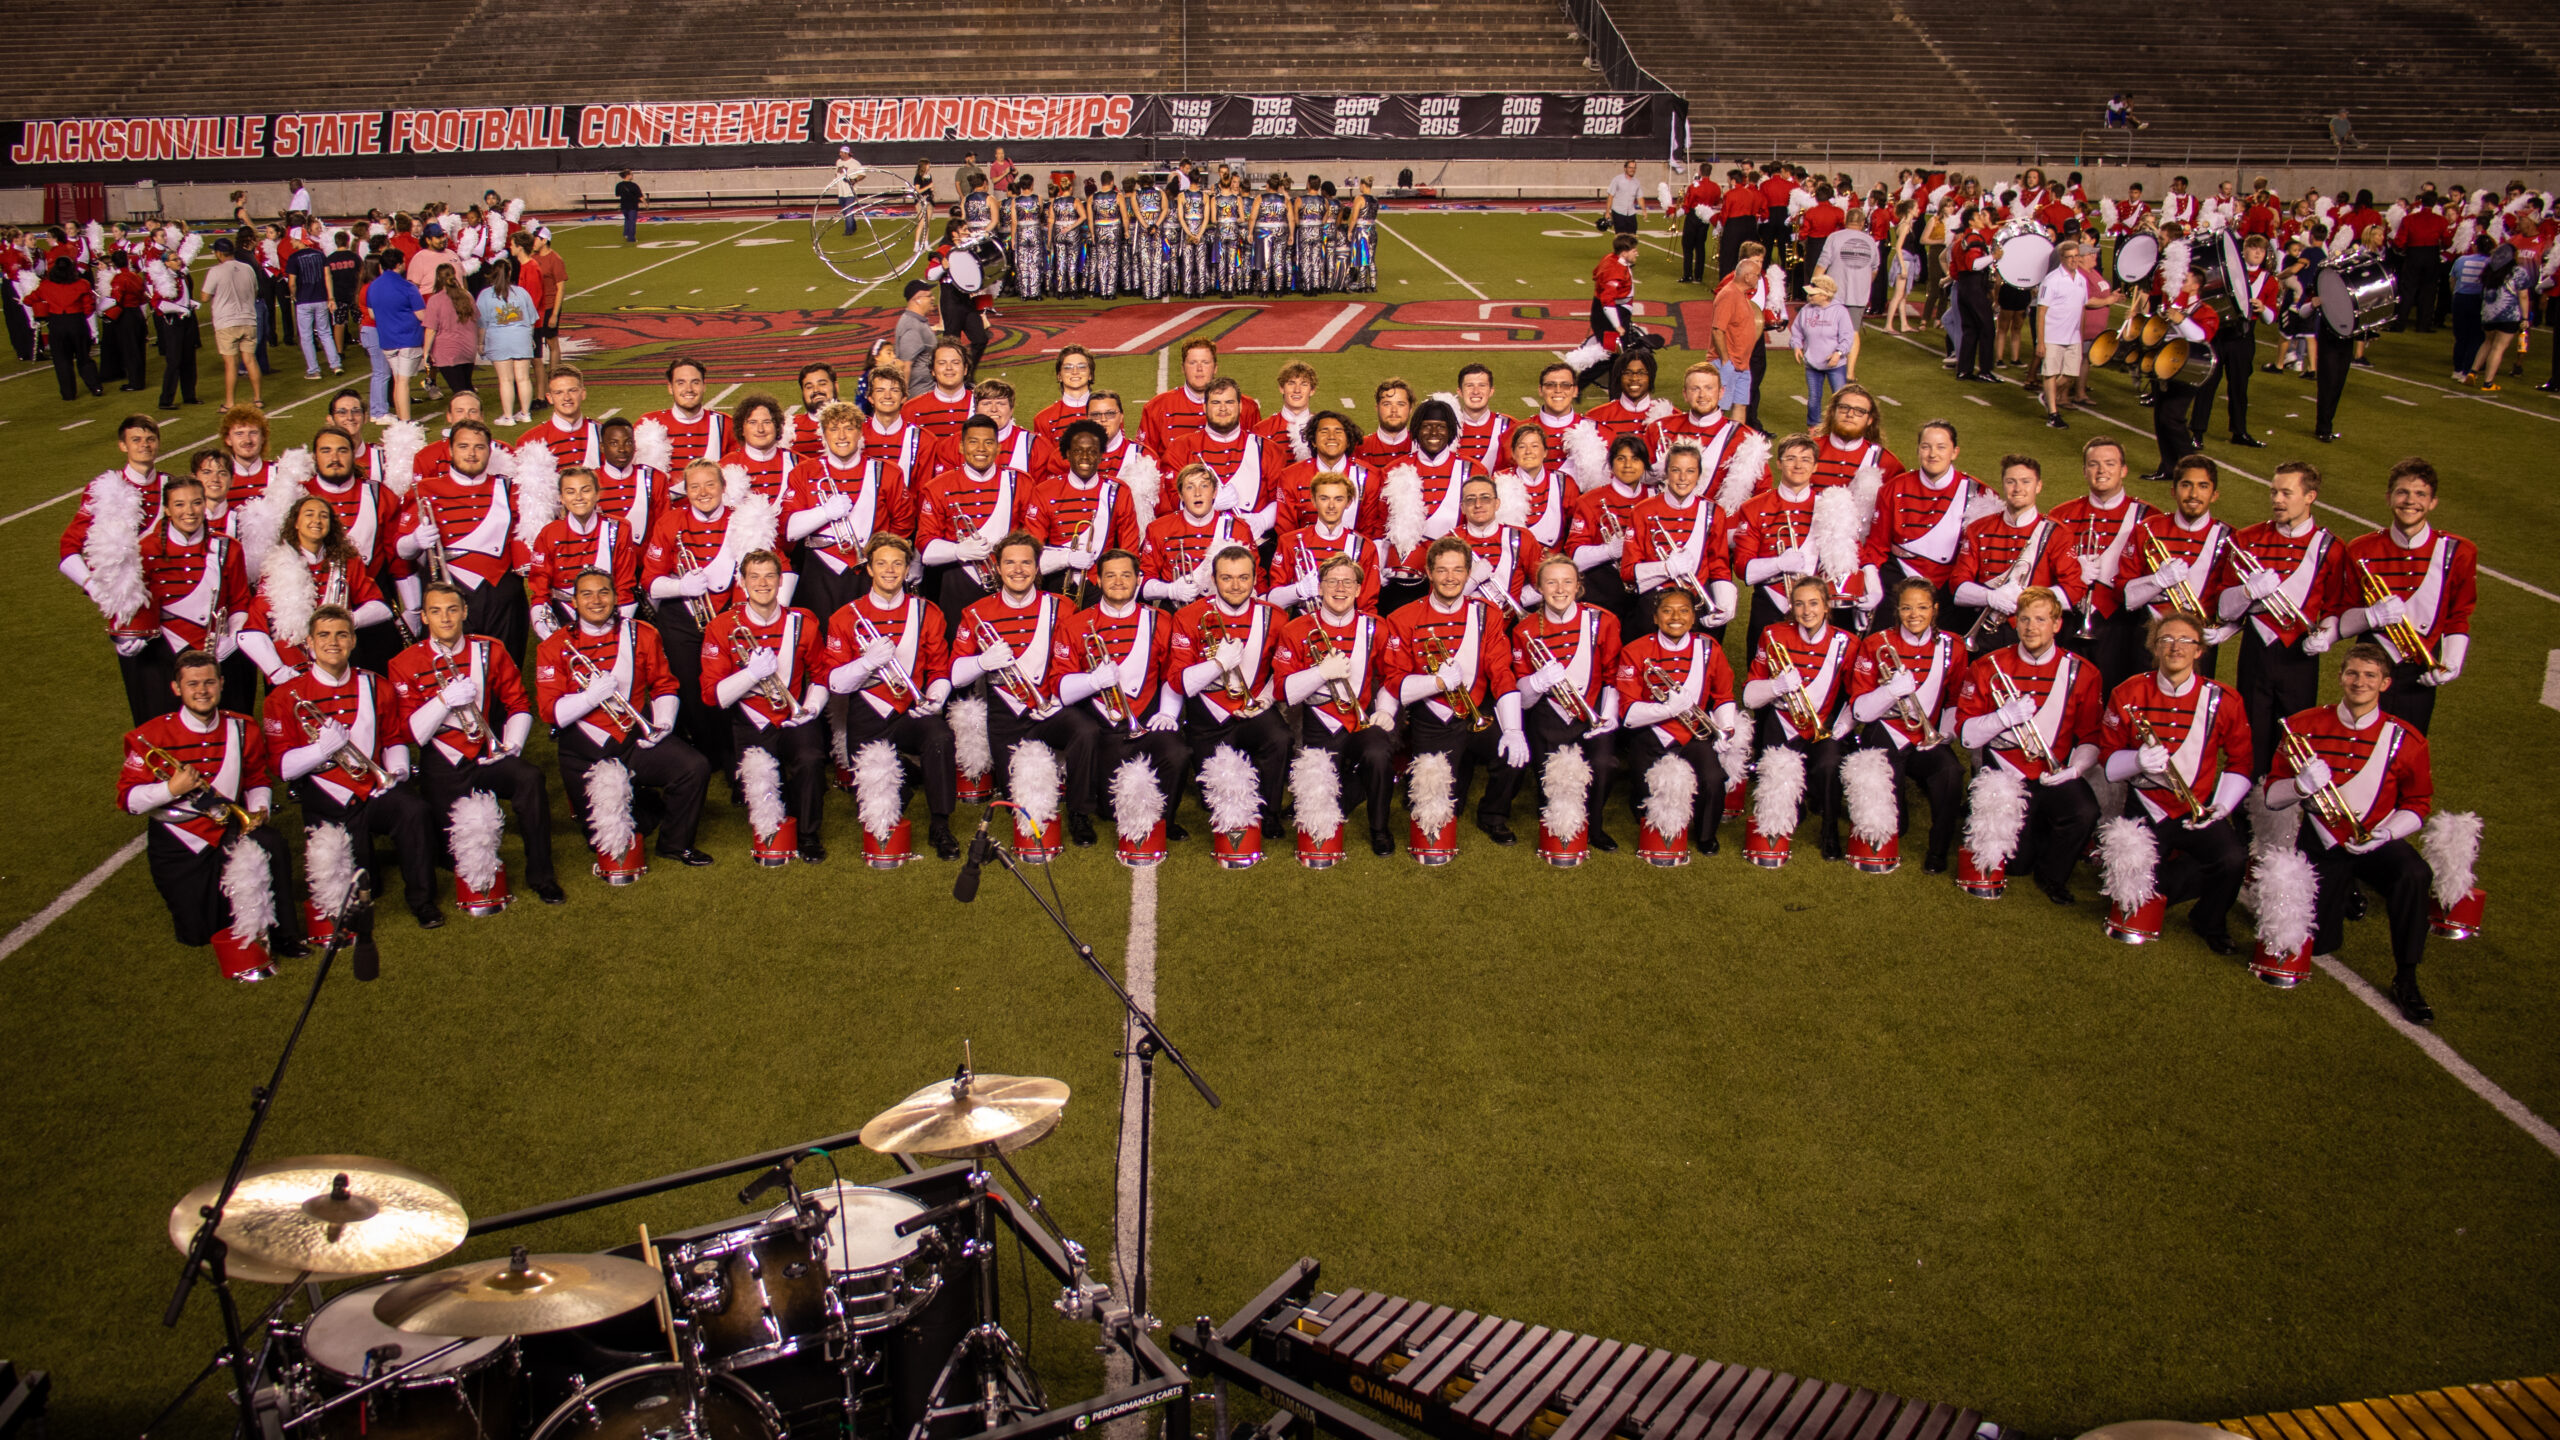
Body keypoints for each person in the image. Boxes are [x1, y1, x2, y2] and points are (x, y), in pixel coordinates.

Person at [2266, 643, 2438, 1023]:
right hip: (2321, 842)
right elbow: (2272, 798)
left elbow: (2419, 803)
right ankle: (2344, 891)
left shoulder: (2405, 739)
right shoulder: (2303, 726)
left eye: (2370, 675)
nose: (2360, 682)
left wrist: (2388, 834)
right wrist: (2299, 785)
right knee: (2322, 945)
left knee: (2414, 873)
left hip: (2373, 840)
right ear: (2341, 677)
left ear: (2385, 683)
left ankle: (2407, 976)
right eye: (2353, 673)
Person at [118, 649, 303, 977]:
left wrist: (258, 810)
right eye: (192, 684)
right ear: (177, 688)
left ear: (221, 684)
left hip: (228, 831)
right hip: (178, 843)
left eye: (208, 682)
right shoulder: (150, 737)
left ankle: (287, 935)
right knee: (200, 934)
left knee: (272, 842)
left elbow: (257, 778)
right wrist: (170, 790)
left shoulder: (243, 728)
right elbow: (128, 800)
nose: (201, 690)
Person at [263, 604, 441, 926]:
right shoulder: (283, 697)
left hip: (372, 788)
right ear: (309, 642)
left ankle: (422, 900)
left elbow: (393, 738)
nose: (334, 642)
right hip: (326, 799)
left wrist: (397, 772)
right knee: (365, 885)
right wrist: (321, 751)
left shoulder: (376, 684)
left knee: (414, 810)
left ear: (353, 641)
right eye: (324, 635)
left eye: (342, 634)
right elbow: (282, 767)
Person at [389, 580, 563, 904]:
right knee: (451, 857)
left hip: (486, 754)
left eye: (452, 610)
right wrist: (443, 701)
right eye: (436, 612)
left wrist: (511, 746)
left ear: (465, 612)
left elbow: (519, 705)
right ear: (424, 617)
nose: (445, 619)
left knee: (530, 778)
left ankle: (542, 875)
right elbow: (411, 733)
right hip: (442, 765)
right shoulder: (404, 664)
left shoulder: (489, 649)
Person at [2098, 612, 2254, 954]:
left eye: (2186, 641)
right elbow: (2107, 763)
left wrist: (2222, 807)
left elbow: (2242, 762)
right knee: (2130, 897)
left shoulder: (2224, 700)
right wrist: (2137, 760)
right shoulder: (2128, 691)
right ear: (2154, 647)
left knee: (2232, 858)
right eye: (2166, 640)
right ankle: (2158, 886)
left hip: (2195, 809)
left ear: (2200, 651)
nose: (2175, 647)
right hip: (2145, 807)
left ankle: (2209, 920)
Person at [824, 534, 963, 860]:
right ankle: (911, 776)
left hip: (910, 710)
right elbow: (834, 683)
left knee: (940, 736)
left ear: (906, 568)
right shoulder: (845, 616)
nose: (890, 570)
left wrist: (936, 699)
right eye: (882, 563)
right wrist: (868, 662)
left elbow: (940, 670)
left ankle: (941, 825)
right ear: (869, 569)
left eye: (897, 564)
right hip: (866, 715)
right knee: (877, 804)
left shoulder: (927, 612)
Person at [1382, 536, 1528, 845]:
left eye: (1458, 570)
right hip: (1432, 718)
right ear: (1429, 573)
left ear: (1467, 573)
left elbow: (1501, 672)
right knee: (1425, 801)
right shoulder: (1403, 617)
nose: (1450, 578)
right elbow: (1395, 680)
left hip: (1476, 712)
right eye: (1442, 570)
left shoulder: (1487, 613)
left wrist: (1513, 728)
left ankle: (1493, 814)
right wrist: (1435, 683)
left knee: (1513, 755)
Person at [951, 530, 1096, 837]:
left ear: (1037, 567)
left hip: (1050, 708)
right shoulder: (976, 613)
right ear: (998, 568)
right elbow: (954, 674)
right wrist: (982, 662)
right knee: (1016, 792)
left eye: (1026, 563)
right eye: (1010, 563)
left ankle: (1080, 813)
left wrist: (1059, 699)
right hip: (1007, 716)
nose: (1018, 569)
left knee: (1086, 730)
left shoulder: (1062, 607)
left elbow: (1077, 663)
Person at [2215, 461, 2344, 779]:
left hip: (2300, 656)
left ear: (2310, 496)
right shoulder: (2246, 539)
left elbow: (2337, 608)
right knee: (2249, 739)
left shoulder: (2331, 548)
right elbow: (2223, 609)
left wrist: (2327, 635)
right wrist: (2247, 592)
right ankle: (2244, 819)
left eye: (2287, 493)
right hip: (2255, 652)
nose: (2277, 500)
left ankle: (2283, 821)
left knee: (2294, 742)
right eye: (2274, 491)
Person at [703, 550, 831, 861]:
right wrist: (750, 674)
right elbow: (712, 695)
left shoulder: (804, 625)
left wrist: (811, 708)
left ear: (779, 580)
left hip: (792, 716)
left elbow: (823, 674)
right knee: (761, 787)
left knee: (811, 757)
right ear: (743, 583)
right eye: (754, 577)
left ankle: (808, 835)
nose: (763, 583)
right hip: (750, 721)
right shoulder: (721, 627)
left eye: (769, 576)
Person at [2334, 458, 2473, 735]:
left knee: (2409, 749)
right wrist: (2371, 616)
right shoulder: (2360, 548)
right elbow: (2343, 618)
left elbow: (2459, 615)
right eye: (2402, 492)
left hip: (2420, 671)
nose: (2411, 501)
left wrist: (2453, 662)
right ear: (2388, 498)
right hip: (2368, 667)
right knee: (2360, 742)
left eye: (2420, 494)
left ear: (2433, 502)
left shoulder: (2459, 552)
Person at [1274, 553, 1399, 853]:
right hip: (1315, 725)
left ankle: (1380, 829)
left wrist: (1385, 710)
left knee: (1379, 752)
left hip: (1359, 722)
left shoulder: (1376, 627)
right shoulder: (1295, 629)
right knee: (1318, 802)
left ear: (1358, 589)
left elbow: (1392, 676)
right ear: (1320, 587)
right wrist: (1320, 673)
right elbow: (1282, 690)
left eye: (1348, 582)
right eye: (1332, 581)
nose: (1340, 588)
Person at [1846, 578, 1968, 872]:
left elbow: (1954, 699)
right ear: (1897, 610)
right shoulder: (1876, 643)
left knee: (1951, 772)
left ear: (1935, 610)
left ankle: (1938, 850)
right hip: (1886, 731)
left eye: (1923, 607)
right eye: (1907, 608)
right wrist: (1890, 691)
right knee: (1895, 827)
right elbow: (1861, 711)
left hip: (1926, 736)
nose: (1915, 615)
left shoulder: (1954, 646)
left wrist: (1945, 733)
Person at [393, 418, 531, 663]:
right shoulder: (424, 489)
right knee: (455, 667)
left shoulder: (509, 487)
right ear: (450, 450)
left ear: (490, 451)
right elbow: (402, 550)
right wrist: (415, 540)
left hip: (502, 593)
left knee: (506, 667)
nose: (471, 453)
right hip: (449, 591)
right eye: (464, 446)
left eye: (479, 447)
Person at [1739, 576, 1853, 860]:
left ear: (1827, 606)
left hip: (1822, 724)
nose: (1806, 611)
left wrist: (1841, 727)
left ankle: (1829, 831)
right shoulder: (1773, 634)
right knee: (1782, 787)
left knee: (1828, 765)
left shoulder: (1846, 642)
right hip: (1783, 721)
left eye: (1814, 603)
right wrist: (1777, 686)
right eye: (1799, 604)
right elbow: (1750, 697)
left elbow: (1856, 695)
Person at [235, 491, 395, 683]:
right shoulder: (276, 565)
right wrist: (277, 671)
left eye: (323, 515)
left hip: (336, 656)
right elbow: (253, 627)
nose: (317, 520)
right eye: (309, 514)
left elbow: (381, 609)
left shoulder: (348, 561)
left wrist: (346, 620)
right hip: (291, 662)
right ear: (296, 523)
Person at [2050, 436, 2154, 695]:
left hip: (2122, 625)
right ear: (2085, 471)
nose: (2101, 470)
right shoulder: (2061, 515)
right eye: (2094, 464)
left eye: (2109, 463)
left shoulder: (2149, 517)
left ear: (2124, 470)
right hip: (2069, 620)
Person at [917, 413, 1036, 636]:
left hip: (1008, 579)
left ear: (998, 447)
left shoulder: (1020, 482)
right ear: (961, 447)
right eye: (973, 442)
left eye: (988, 442)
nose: (981, 448)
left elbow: (1032, 536)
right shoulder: (937, 487)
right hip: (957, 579)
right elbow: (924, 545)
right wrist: (957, 550)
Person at [2121, 455, 2235, 680]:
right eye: (2186, 485)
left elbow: (2239, 602)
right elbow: (2126, 597)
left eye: (2203, 486)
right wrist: (2158, 581)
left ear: (2214, 495)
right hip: (2149, 639)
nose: (2193, 494)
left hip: (2200, 642)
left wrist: (2224, 632)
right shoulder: (2148, 529)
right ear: (2173, 491)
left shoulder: (2230, 538)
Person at [1949, 454, 2065, 653]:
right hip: (1986, 630)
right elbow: (1957, 585)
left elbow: (2073, 589)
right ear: (2003, 485)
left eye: (2026, 482)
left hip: (2033, 632)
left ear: (2038, 486)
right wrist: (1990, 597)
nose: (2018, 488)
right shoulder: (1979, 528)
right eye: (2011, 482)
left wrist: (2028, 601)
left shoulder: (2056, 533)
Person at [2032, 239, 2090, 427]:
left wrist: (2080, 335)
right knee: (2051, 373)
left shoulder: (2081, 280)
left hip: (2072, 336)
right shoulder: (2052, 280)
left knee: (2071, 374)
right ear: (2062, 259)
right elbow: (2041, 311)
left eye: (2076, 256)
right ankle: (2053, 413)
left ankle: (2047, 396)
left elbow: (2081, 309)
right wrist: (2041, 342)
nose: (2074, 260)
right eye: (2070, 257)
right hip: (2053, 335)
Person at [475, 256, 539, 425]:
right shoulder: (521, 292)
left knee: (505, 380)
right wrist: (529, 337)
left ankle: (508, 416)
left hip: (498, 340)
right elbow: (531, 318)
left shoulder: (485, 295)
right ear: (510, 273)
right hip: (521, 337)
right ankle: (525, 413)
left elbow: (482, 323)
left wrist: (480, 343)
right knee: (523, 378)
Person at [365, 250, 427, 423]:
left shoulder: (374, 286)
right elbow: (422, 315)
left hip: (387, 340)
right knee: (402, 382)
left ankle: (402, 419)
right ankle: (405, 422)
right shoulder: (408, 287)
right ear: (400, 264)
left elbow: (372, 314)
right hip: (408, 339)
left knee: (398, 379)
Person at [29, 256, 101, 401]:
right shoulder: (82, 284)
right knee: (84, 357)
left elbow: (29, 299)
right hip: (77, 322)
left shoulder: (46, 285)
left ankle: (68, 393)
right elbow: (88, 308)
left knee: (62, 360)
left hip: (57, 323)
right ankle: (95, 387)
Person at [202, 240, 262, 408]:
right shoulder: (248, 268)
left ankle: (229, 403)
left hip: (226, 322)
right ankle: (257, 398)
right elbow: (255, 290)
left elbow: (205, 297)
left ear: (219, 253)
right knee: (250, 360)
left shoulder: (215, 271)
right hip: (249, 319)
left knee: (231, 364)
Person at [1790, 275, 1854, 427]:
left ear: (1825, 295)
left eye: (1813, 294)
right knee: (1813, 398)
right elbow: (1797, 330)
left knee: (1840, 398)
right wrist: (1797, 345)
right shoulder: (1806, 310)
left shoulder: (1840, 312)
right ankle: (1814, 428)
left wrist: (1838, 353)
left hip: (1835, 365)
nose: (1809, 296)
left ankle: (1841, 426)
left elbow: (1847, 337)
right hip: (1812, 362)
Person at [1707, 253, 1763, 422]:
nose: (1759, 279)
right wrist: (1725, 361)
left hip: (1742, 364)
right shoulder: (1729, 295)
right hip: (1726, 362)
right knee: (1718, 407)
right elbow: (1718, 330)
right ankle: (1713, 442)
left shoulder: (1741, 296)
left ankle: (1734, 442)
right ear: (1747, 276)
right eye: (1757, 275)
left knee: (1740, 405)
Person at [150, 243, 202, 410]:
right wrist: (180, 309)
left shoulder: (181, 275)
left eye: (178, 258)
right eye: (174, 260)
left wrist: (190, 304)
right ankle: (166, 399)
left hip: (187, 320)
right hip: (174, 322)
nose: (178, 261)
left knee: (189, 359)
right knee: (174, 361)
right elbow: (159, 304)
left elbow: (182, 297)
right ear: (166, 263)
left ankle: (189, 395)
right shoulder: (164, 280)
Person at [1949, 206, 1997, 381]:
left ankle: (1964, 369)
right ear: (1971, 220)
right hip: (1974, 286)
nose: (1982, 218)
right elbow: (1974, 264)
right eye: (1979, 216)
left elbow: (1954, 269)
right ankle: (1985, 370)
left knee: (1970, 329)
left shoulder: (1960, 240)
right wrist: (1994, 256)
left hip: (1963, 285)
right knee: (1987, 328)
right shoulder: (1974, 238)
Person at [420, 262, 480, 401]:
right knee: (466, 387)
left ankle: (468, 417)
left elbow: (431, 330)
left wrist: (426, 352)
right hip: (468, 348)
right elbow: (476, 320)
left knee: (460, 391)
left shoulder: (435, 300)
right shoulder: (467, 296)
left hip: (448, 351)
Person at [1677, 167, 1721, 285]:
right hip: (1706, 216)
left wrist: (1679, 212)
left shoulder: (1694, 186)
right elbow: (1716, 201)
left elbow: (1688, 203)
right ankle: (1699, 276)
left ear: (1700, 172)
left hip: (1693, 216)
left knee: (1688, 246)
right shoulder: (1715, 187)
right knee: (1700, 246)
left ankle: (1687, 275)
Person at [615, 171, 644, 243]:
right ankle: (631, 238)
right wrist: (645, 203)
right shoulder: (633, 185)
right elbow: (640, 196)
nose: (632, 176)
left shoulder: (619, 185)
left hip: (624, 204)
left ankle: (626, 233)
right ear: (627, 175)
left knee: (627, 219)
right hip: (632, 205)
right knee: (632, 221)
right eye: (631, 174)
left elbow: (617, 195)